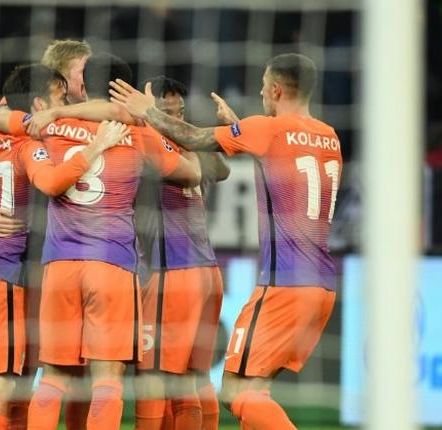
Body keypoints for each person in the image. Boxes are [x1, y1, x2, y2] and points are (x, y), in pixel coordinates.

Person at [110, 53, 341, 430]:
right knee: (253, 390)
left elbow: (194, 137)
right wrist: (238, 128)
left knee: (237, 392)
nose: (262, 94)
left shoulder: (266, 129)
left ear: (277, 89)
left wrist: (146, 111)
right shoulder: (329, 136)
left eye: (265, 87)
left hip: (285, 285)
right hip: (323, 284)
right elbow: (285, 159)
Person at [24, 53, 201, 430]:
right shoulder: (139, 132)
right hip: (112, 265)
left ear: (84, 87)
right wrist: (153, 117)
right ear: (128, 90)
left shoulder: (54, 125)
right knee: (108, 379)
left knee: (53, 377)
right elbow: (191, 173)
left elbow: (4, 120)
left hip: (59, 264)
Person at [0, 63, 127, 430]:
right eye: (59, 95)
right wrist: (96, 147)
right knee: (0, 390)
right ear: (37, 102)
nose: (65, 100)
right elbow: (50, 183)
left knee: (18, 391)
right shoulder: (31, 146)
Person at [133, 76, 229, 430]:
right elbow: (222, 170)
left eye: (180, 109)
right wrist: (212, 137)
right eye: (167, 110)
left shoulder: (152, 146)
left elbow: (219, 170)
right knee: (194, 376)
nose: (175, 117)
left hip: (172, 272)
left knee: (154, 374)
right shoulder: (188, 145)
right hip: (206, 274)